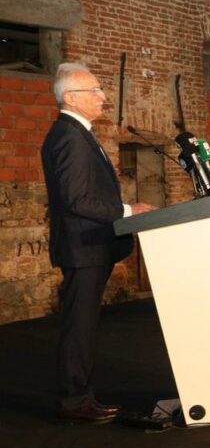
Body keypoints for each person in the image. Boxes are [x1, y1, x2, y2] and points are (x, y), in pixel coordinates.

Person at [41, 63, 156, 423]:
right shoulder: (70, 137)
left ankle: (80, 396)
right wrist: (128, 210)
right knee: (79, 327)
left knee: (84, 326)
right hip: (84, 248)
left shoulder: (78, 133)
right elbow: (77, 200)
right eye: (94, 90)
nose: (103, 96)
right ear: (71, 98)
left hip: (89, 246)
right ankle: (75, 401)